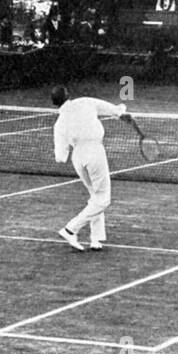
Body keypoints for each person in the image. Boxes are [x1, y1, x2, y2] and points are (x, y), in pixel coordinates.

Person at [51, 85, 127, 252]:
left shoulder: (59, 124)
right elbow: (111, 108)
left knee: (95, 196)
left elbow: (60, 158)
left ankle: (96, 239)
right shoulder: (85, 102)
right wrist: (121, 112)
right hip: (94, 152)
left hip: (78, 157)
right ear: (68, 95)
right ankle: (71, 229)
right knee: (103, 199)